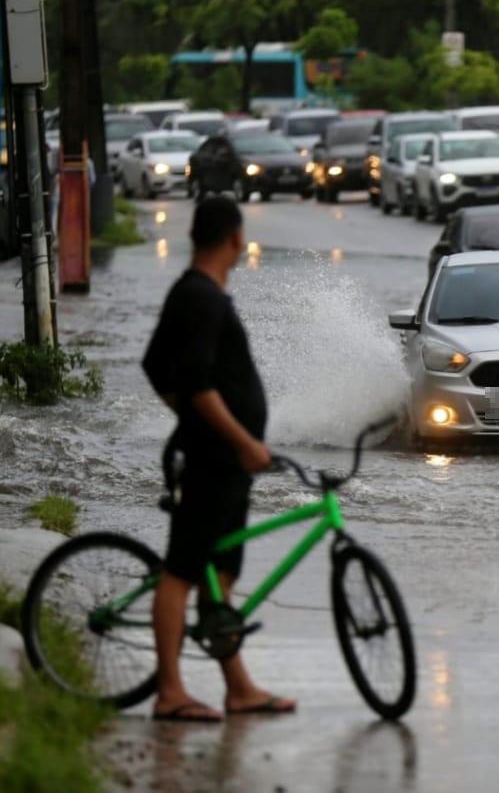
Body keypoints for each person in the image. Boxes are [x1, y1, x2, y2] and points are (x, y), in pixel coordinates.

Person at [140, 196, 295, 723]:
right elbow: (196, 383)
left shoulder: (197, 293)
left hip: (224, 461)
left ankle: (239, 688)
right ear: (234, 238)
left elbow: (156, 365)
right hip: (214, 458)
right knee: (183, 571)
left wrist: (194, 417)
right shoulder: (202, 298)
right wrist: (241, 441)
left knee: (218, 574)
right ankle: (170, 692)